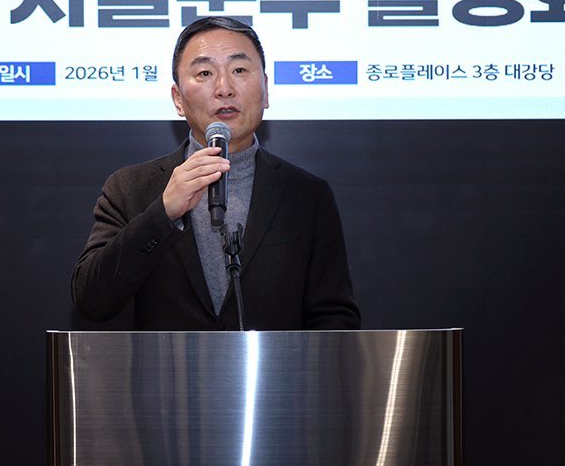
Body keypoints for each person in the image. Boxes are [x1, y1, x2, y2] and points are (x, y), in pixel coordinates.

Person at [71, 16, 360, 330]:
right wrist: (163, 214)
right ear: (178, 99)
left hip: (273, 365)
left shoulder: (307, 196)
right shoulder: (131, 189)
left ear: (266, 90)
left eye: (239, 70)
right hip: (169, 365)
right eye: (205, 73)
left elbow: (335, 319)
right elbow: (92, 300)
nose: (224, 89)